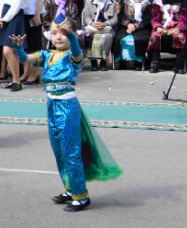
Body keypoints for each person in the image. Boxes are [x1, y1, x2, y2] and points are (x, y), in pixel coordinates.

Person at [11, 23, 122, 212]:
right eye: (55, 33)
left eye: (63, 33)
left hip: (68, 107)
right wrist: (19, 46)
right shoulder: (46, 55)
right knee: (59, 150)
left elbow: (77, 51)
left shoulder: (73, 57)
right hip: (51, 105)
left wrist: (72, 36)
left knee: (71, 151)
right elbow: (25, 59)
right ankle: (70, 189)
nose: (58, 37)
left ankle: (81, 196)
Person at [145, 0, 187, 73]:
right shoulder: (157, 3)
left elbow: (183, 19)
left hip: (176, 28)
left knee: (181, 37)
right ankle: (155, 64)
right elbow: (155, 18)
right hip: (161, 27)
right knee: (155, 36)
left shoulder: (181, 3)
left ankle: (179, 65)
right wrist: (158, 27)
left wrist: (179, 28)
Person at [79, 0, 118, 70]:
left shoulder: (113, 3)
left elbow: (115, 19)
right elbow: (86, 17)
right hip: (92, 27)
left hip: (106, 28)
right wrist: (92, 23)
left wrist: (106, 23)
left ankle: (103, 62)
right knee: (88, 35)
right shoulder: (89, 2)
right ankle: (93, 62)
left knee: (107, 36)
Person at [115, 0, 152, 70]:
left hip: (142, 27)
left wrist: (135, 26)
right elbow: (121, 17)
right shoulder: (125, 3)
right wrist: (128, 25)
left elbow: (147, 19)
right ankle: (121, 61)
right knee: (119, 39)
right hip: (126, 27)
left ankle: (138, 62)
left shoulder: (147, 5)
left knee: (140, 40)